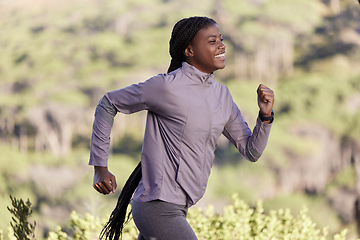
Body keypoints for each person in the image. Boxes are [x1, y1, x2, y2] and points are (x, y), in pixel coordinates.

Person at [89, 16, 274, 240]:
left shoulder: (222, 96)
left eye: (221, 40)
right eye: (212, 41)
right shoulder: (166, 87)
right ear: (189, 50)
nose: (222, 46)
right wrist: (100, 167)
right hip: (156, 208)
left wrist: (265, 116)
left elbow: (251, 151)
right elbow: (108, 104)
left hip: (179, 208)